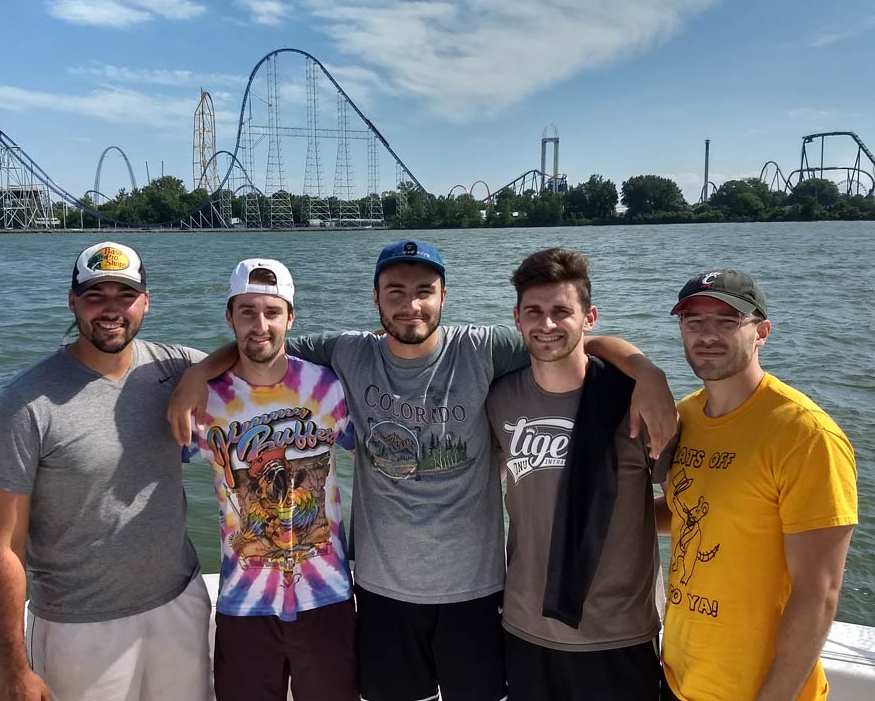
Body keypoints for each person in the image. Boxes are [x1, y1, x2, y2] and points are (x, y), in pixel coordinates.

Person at [169, 239, 677, 701]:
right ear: (375, 299)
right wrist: (198, 373)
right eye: (395, 291)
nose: (410, 304)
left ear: (443, 296)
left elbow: (567, 337)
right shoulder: (348, 352)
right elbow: (263, 344)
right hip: (381, 588)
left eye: (423, 291)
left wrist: (646, 371)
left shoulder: (482, 349)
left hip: (475, 589)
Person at [0, 241, 212, 701]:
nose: (111, 310)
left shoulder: (176, 366)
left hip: (180, 602)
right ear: (72, 302)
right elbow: (3, 546)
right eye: (94, 296)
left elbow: (246, 358)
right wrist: (11, 668)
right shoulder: (24, 402)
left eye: (124, 295)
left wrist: (201, 375)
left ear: (146, 300)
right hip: (78, 628)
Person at [659, 269, 857, 701]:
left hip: (755, 691)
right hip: (679, 677)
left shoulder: (805, 435)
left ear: (761, 331)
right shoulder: (685, 416)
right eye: (693, 322)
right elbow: (684, 510)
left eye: (727, 322)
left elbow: (819, 592)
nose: (707, 335)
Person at [485, 248, 670, 700]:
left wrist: (624, 518)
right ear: (516, 318)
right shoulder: (498, 398)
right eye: (534, 312)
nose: (546, 325)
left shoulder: (636, 401)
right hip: (525, 625)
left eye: (561, 312)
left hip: (619, 634)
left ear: (589, 317)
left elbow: (690, 506)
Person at [183, 258, 358, 701]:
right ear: (229, 317)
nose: (260, 324)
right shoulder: (204, 403)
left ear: (291, 318)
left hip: (328, 599)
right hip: (244, 604)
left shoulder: (330, 388)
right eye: (247, 311)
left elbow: (383, 451)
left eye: (272, 312)